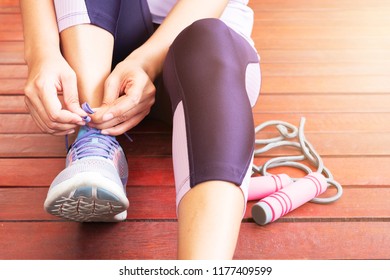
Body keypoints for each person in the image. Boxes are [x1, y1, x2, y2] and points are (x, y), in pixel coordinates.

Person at [19, 0, 261, 259]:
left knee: (209, 39)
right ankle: (94, 144)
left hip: (201, 50)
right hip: (95, 48)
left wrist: (146, 63)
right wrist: (42, 54)